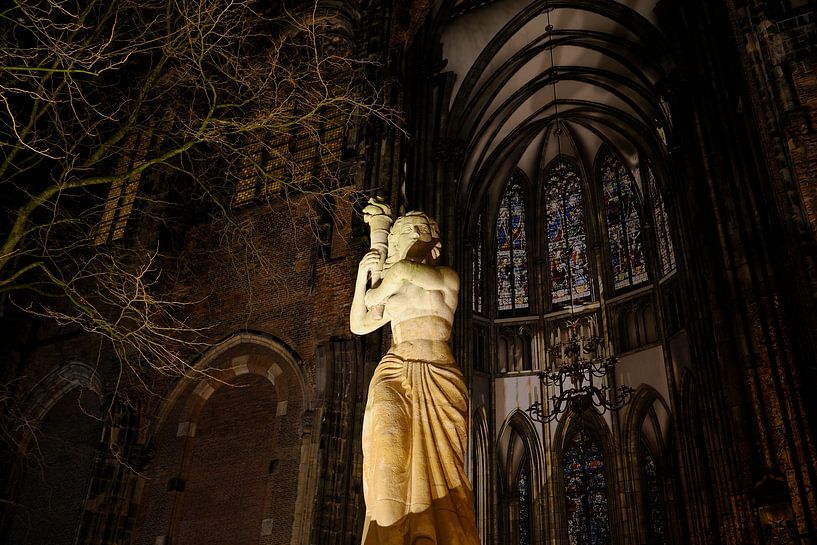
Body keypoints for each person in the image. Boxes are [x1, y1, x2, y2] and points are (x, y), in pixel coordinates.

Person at [350, 210, 480, 545]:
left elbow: (401, 273)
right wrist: (363, 277)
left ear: (434, 240)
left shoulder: (445, 277)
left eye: (419, 229)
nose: (413, 235)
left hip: (438, 375)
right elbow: (359, 324)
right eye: (406, 232)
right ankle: (387, 535)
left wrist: (378, 276)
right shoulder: (395, 283)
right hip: (394, 370)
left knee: (444, 470)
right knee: (387, 453)